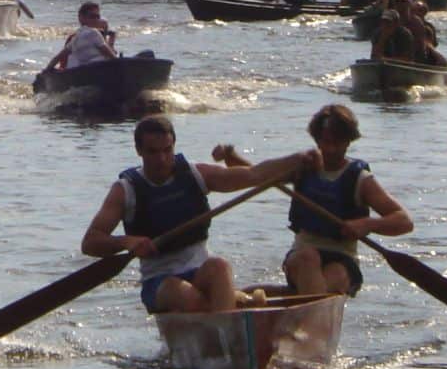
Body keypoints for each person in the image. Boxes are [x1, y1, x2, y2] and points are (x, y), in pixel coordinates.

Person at [81, 114, 321, 316]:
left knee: (219, 266)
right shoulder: (125, 191)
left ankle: (230, 328)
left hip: (200, 270)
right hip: (160, 280)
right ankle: (232, 311)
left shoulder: (196, 175)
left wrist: (296, 160)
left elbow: (253, 175)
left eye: (167, 150)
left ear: (174, 145)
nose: (162, 159)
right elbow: (91, 241)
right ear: (139, 151)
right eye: (153, 152)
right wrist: (126, 242)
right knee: (187, 297)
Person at [216, 104, 413, 298]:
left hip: (342, 257)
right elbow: (257, 175)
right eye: (326, 141)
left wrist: (369, 224)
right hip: (302, 254)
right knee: (307, 258)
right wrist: (229, 155)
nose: (331, 149)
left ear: (349, 141)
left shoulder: (361, 180)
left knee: (334, 276)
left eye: (338, 142)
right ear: (317, 140)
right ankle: (308, 308)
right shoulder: (303, 167)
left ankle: (299, 304)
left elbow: (404, 221)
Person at [47, 1, 118, 71]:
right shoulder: (93, 33)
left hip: (83, 71)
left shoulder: (77, 36)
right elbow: (110, 55)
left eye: (98, 17)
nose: (96, 19)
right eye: (92, 16)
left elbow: (58, 57)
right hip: (95, 70)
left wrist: (46, 71)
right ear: (82, 18)